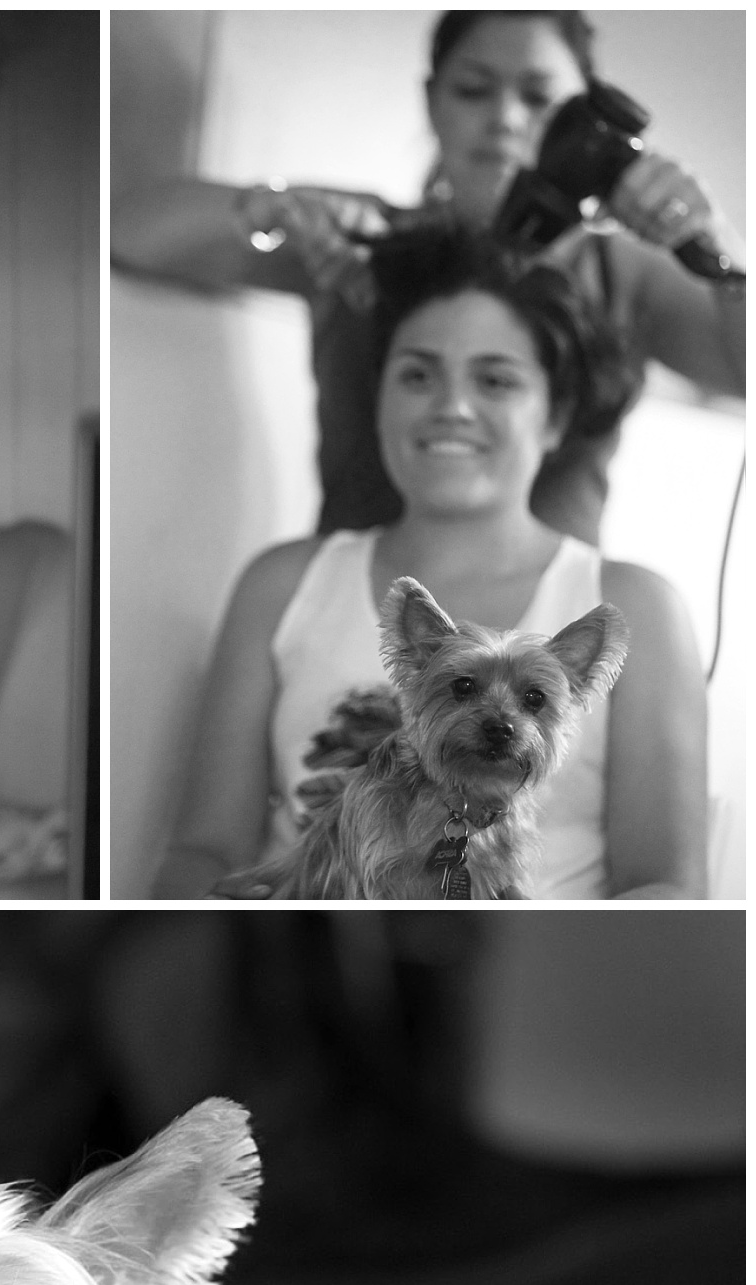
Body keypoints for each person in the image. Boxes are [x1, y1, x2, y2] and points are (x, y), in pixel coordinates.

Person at [154, 227, 707, 901]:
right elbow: (205, 851)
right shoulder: (281, 584)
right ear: (378, 399)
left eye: (496, 379)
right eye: (418, 374)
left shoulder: (640, 606)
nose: (452, 406)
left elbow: (669, 886)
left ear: (556, 415)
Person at [111, 11, 745, 541]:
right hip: (358, 612)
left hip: (542, 658)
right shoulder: (362, 240)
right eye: (474, 89)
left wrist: (720, 253)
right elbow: (130, 232)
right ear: (432, 100)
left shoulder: (623, 273)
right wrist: (270, 206)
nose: (504, 119)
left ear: (585, 118)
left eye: (537, 97)